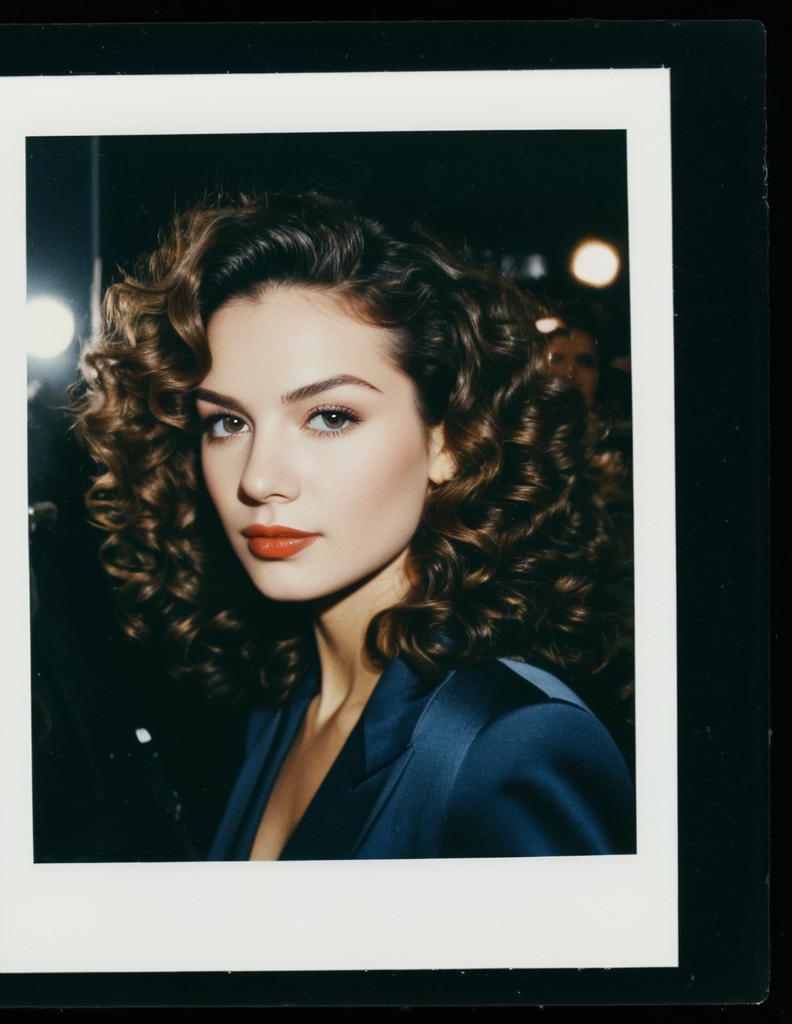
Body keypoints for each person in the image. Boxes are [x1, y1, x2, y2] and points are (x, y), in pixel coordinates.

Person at [75, 191, 635, 861]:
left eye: (329, 417)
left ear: (450, 440)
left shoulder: (510, 746)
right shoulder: (286, 709)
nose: (259, 479)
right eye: (226, 422)